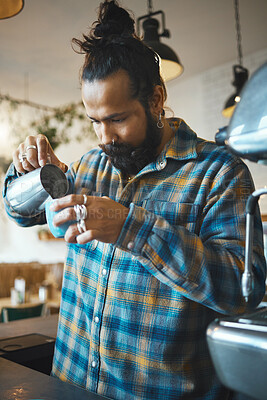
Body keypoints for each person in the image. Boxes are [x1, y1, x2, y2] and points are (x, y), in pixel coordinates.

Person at [3, 1, 266, 399]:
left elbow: (241, 293)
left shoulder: (219, 172)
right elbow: (17, 213)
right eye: (95, 121)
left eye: (118, 118)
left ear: (156, 99)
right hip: (71, 384)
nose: (104, 137)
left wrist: (132, 227)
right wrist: (29, 172)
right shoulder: (91, 165)